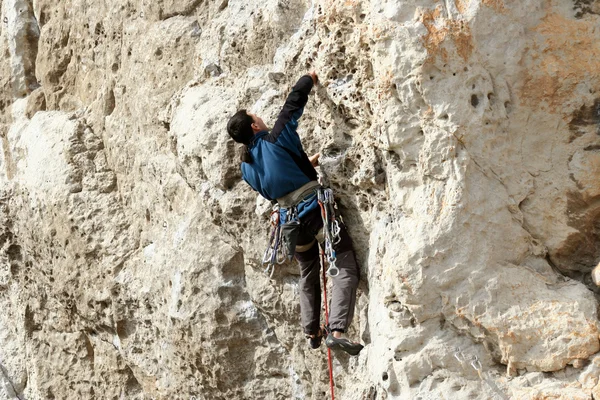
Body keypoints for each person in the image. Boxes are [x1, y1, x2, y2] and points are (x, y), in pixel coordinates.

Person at [227, 72, 363, 356]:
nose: (262, 119)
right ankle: (336, 331)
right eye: (257, 117)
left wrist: (306, 163)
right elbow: (293, 103)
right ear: (254, 125)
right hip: (315, 211)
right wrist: (309, 78)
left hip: (289, 224)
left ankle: (311, 331)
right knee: (343, 262)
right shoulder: (276, 136)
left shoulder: (246, 168)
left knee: (309, 271)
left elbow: (274, 187)